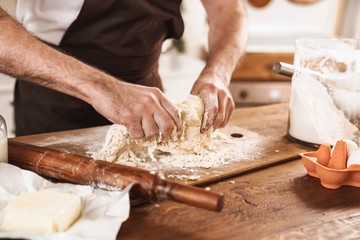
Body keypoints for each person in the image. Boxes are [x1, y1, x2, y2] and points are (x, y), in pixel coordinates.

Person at [0, 0, 247, 140]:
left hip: (147, 99)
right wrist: (106, 89)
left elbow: (228, 8)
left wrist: (217, 72)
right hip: (56, 104)